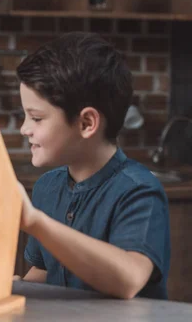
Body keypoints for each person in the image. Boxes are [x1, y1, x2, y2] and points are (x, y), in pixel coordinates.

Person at [15, 32, 170, 299]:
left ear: (87, 123)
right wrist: (16, 289)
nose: (24, 129)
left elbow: (129, 279)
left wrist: (34, 221)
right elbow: (44, 271)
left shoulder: (139, 191)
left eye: (37, 118)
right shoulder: (46, 188)